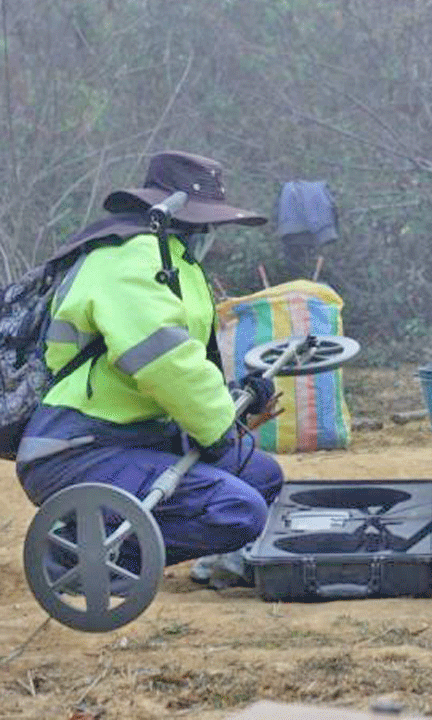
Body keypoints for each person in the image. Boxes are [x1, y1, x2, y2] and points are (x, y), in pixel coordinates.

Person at [17, 151, 282, 589]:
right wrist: (218, 429)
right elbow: (166, 364)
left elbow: (185, 362)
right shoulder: (130, 262)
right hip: (77, 446)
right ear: (182, 220)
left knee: (261, 474)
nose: (210, 234)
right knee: (238, 510)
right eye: (206, 225)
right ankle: (72, 558)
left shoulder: (170, 259)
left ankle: (218, 563)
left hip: (135, 432)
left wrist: (234, 395)